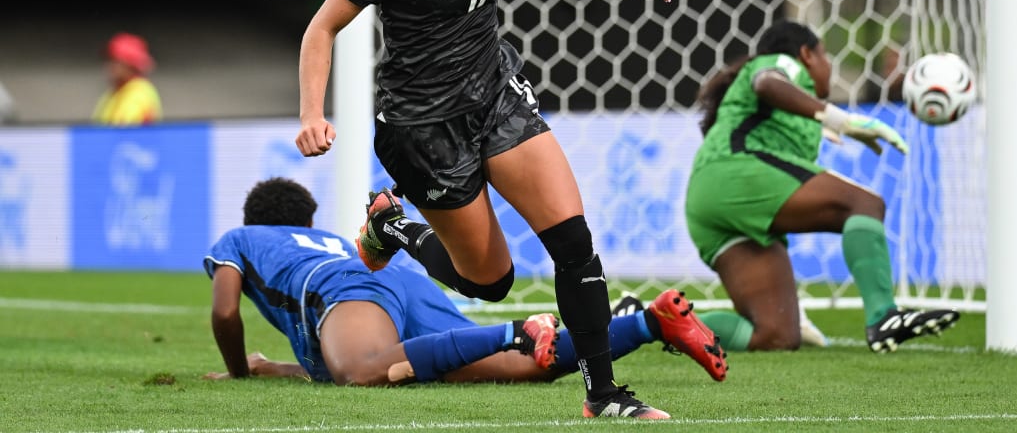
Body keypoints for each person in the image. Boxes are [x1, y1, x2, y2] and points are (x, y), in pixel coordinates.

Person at [295, 0, 688, 420]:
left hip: (498, 97)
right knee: (489, 282)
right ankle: (391, 226)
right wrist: (312, 113)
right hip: (424, 128)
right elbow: (321, 28)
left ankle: (604, 395)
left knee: (574, 244)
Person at [203, 177, 727, 392]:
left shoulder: (241, 236)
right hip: (398, 281)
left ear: (253, 218)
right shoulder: (328, 239)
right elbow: (378, 348)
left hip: (352, 290)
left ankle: (515, 329)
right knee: (528, 365)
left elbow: (226, 313)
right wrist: (274, 367)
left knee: (359, 373)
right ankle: (653, 321)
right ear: (308, 219)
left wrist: (238, 372)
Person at [682, 19, 960, 353]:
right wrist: (839, 119)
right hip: (734, 175)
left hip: (708, 200)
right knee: (864, 205)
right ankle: (884, 317)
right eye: (825, 55)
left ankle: (651, 320)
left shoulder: (795, 113)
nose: (829, 66)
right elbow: (768, 83)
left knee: (776, 335)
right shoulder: (782, 64)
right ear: (806, 55)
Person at [92, 32, 162, 125]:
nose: (109, 65)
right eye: (108, 59)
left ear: (130, 65)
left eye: (115, 60)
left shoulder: (139, 91)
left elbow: (125, 131)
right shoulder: (115, 92)